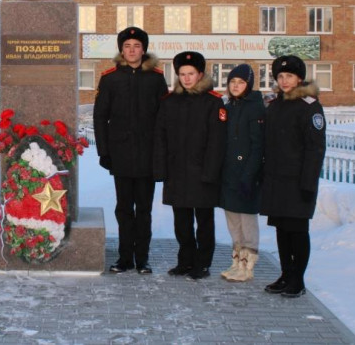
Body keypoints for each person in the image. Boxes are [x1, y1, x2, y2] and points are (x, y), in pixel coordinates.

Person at [93, 27, 168, 274]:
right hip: (121, 155)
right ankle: (125, 257)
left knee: (144, 210)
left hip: (147, 156)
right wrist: (104, 151)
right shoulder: (110, 78)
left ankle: (142, 258)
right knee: (124, 208)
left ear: (143, 49)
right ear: (121, 50)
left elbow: (164, 120)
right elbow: (100, 117)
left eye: (136, 46)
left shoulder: (156, 78)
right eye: (127, 46)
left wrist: (161, 153)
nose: (132, 50)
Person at [154, 51, 227, 279]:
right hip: (177, 172)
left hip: (202, 173)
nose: (186, 78)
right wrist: (161, 168)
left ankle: (203, 263)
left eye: (191, 74)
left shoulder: (213, 102)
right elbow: (160, 137)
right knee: (182, 222)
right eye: (182, 74)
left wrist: (211, 172)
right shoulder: (169, 102)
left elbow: (218, 142)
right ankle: (185, 261)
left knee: (204, 222)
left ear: (200, 74)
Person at [260, 55, 326, 298]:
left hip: (298, 182)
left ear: (299, 78)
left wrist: (308, 182)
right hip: (276, 180)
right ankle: (285, 274)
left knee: (297, 231)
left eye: (289, 76)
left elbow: (315, 148)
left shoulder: (310, 106)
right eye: (280, 76)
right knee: (281, 230)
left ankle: (298, 280)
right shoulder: (275, 105)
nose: (284, 80)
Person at [218, 64, 265, 282]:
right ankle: (237, 262)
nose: (236, 86)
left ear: (249, 85)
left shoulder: (255, 108)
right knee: (233, 222)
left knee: (247, 223)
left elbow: (258, 146)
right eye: (233, 82)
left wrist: (249, 174)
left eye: (241, 82)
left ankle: (249, 266)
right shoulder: (230, 106)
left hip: (246, 175)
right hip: (229, 175)